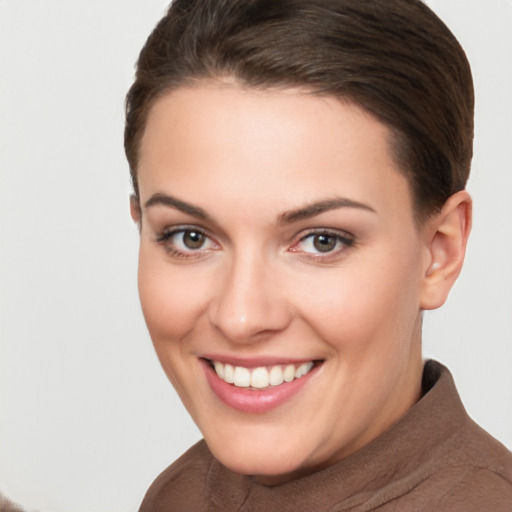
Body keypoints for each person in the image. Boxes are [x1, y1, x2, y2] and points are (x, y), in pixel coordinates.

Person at [124, 0, 512, 510]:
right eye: (190, 237)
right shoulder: (184, 493)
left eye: (321, 240)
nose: (241, 318)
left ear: (439, 252)